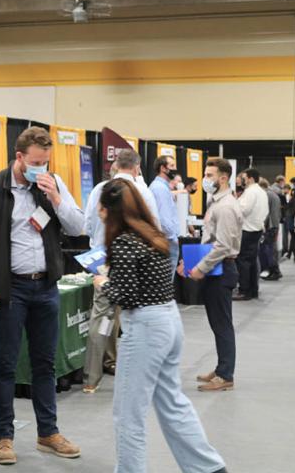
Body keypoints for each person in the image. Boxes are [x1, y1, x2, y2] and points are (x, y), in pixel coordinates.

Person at [0, 126, 84, 465]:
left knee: (45, 363)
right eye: (35, 162)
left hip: (46, 287)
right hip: (10, 288)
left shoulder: (53, 184)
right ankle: (4, 437)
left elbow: (77, 227)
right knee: (4, 363)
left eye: (45, 162)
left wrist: (57, 199)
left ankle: (48, 432)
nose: (41, 168)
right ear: (19, 157)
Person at [93, 179, 228, 473]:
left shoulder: (124, 242)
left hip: (144, 328)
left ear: (109, 210)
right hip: (168, 320)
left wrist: (103, 283)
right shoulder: (153, 236)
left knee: (128, 415)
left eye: (101, 209)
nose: (99, 214)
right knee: (172, 403)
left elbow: (126, 296)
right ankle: (208, 467)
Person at [82, 148, 160, 395]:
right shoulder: (143, 192)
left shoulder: (98, 190)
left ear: (115, 164)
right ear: (137, 167)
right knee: (132, 317)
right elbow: (154, 228)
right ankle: (134, 372)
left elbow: (86, 226)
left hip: (103, 260)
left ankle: (91, 379)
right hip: (135, 261)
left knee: (101, 316)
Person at [181, 158, 241, 393]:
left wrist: (200, 268)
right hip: (215, 268)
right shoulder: (216, 202)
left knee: (222, 324)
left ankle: (226, 374)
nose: (205, 179)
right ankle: (221, 368)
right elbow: (210, 241)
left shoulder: (225, 206)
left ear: (223, 178)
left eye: (209, 175)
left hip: (222, 269)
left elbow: (223, 246)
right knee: (217, 324)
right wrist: (192, 263)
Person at [233, 168, 268, 301]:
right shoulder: (261, 192)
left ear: (250, 178)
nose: (242, 180)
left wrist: (235, 204)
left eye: (244, 177)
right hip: (257, 228)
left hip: (247, 229)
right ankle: (253, 290)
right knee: (252, 261)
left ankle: (244, 290)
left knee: (243, 261)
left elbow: (244, 210)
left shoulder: (250, 192)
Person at [150, 155, 181, 275]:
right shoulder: (159, 188)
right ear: (163, 168)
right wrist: (173, 238)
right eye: (172, 166)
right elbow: (163, 219)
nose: (175, 169)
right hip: (167, 241)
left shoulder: (163, 187)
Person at [259, 179, 282, 281]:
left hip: (270, 225)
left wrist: (262, 225)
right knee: (272, 248)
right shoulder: (274, 194)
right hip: (275, 224)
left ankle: (275, 271)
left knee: (269, 249)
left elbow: (265, 212)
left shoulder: (266, 195)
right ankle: (274, 271)